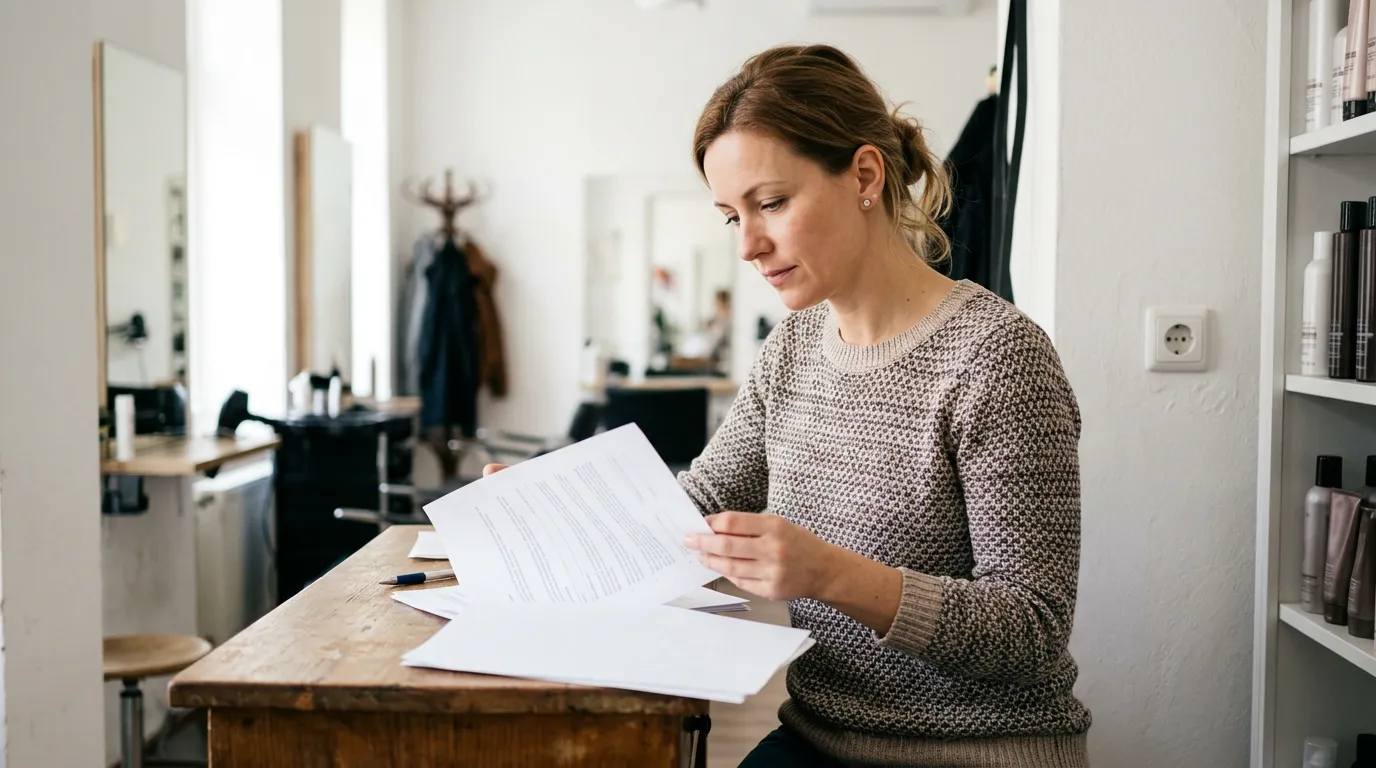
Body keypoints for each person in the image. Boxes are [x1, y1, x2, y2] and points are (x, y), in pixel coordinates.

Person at [486, 43, 1090, 767]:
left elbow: (1032, 629)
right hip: (821, 736)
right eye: (731, 217)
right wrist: (550, 511)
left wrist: (829, 574)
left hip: (977, 750)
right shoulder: (794, 347)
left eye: (770, 203)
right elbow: (697, 503)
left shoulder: (998, 357)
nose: (749, 245)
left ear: (865, 175)